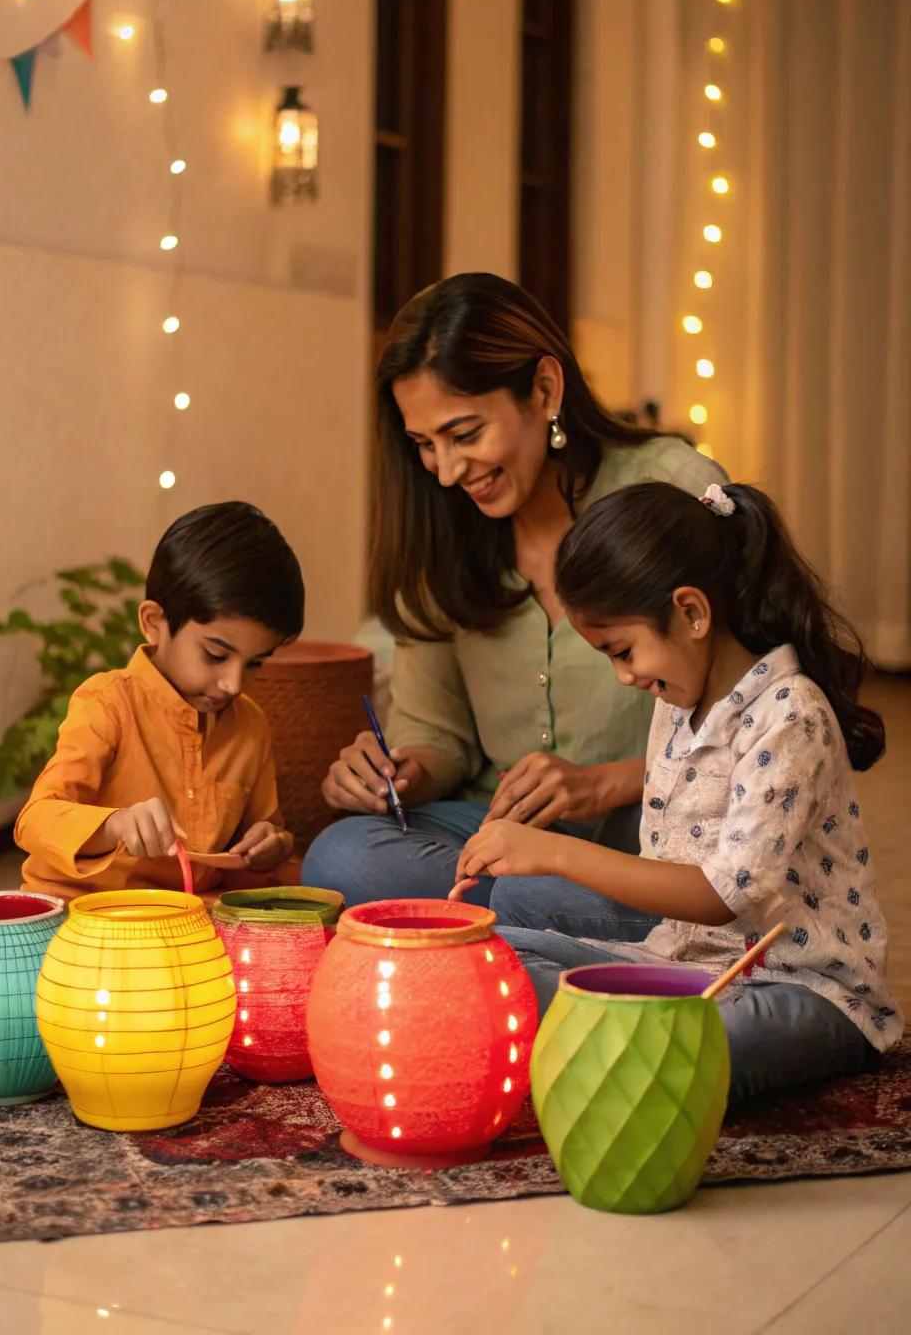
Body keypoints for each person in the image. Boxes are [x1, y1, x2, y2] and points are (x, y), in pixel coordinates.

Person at [456, 480, 903, 1103]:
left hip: (801, 989)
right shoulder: (676, 700)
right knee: (489, 952)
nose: (625, 676)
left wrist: (551, 849)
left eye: (623, 651)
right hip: (686, 962)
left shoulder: (791, 715)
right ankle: (600, 1033)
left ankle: (603, 1040)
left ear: (692, 613)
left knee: (690, 1052)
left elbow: (725, 896)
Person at [302, 273, 725, 910]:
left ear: (545, 390)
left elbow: (761, 725)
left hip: (658, 833)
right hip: (506, 838)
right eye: (424, 444)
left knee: (688, 886)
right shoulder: (441, 529)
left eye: (465, 434)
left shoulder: (672, 489)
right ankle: (562, 927)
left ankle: (528, 928)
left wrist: (605, 785)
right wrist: (398, 774)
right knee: (342, 856)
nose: (446, 471)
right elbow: (437, 735)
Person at [16, 502, 303, 901]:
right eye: (216, 655)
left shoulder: (249, 725)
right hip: (83, 917)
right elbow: (36, 820)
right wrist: (116, 825)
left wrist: (269, 845)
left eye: (254, 663)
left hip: (187, 918)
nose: (234, 683)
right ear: (154, 623)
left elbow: (267, 831)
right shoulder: (107, 703)